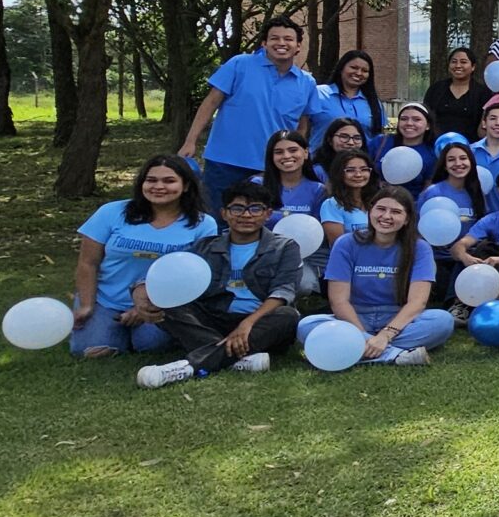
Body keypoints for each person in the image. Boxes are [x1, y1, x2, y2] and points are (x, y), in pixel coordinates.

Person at [134, 180, 304, 387]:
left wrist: (247, 324)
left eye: (255, 209)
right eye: (237, 208)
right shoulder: (206, 246)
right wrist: (140, 289)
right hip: (214, 316)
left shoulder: (284, 247)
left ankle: (186, 368)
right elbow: (173, 272)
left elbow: (283, 291)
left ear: (267, 214)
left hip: (259, 322)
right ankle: (236, 359)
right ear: (224, 213)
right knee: (167, 303)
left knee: (288, 315)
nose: (246, 215)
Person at [71, 155, 218, 357]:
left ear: (185, 186)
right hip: (107, 300)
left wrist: (148, 306)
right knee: (88, 350)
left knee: (150, 345)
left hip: (165, 304)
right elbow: (88, 263)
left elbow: (197, 277)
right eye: (151, 180)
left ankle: (137, 334)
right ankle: (110, 330)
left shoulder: (203, 224)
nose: (159, 187)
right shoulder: (111, 212)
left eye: (169, 181)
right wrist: (87, 305)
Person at [180, 17, 318, 202]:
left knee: (264, 215)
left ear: (298, 46)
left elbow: (302, 125)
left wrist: (295, 156)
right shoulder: (240, 64)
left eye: (288, 39)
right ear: (264, 43)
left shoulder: (307, 83)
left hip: (271, 166)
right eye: (274, 38)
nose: (281, 43)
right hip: (224, 162)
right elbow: (210, 102)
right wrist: (190, 141)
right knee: (218, 214)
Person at [317, 187, 453, 365]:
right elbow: (339, 301)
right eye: (381, 209)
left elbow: (417, 302)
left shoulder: (420, 248)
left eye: (396, 212)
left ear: (407, 219)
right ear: (370, 211)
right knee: (308, 325)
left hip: (399, 317)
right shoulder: (346, 243)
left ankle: (356, 350)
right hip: (356, 316)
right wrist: (362, 335)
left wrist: (386, 335)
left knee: (442, 321)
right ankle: (396, 356)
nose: (386, 216)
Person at [313, 150, 380, 294]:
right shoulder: (332, 205)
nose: (358, 174)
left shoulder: (380, 201)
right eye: (350, 170)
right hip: (349, 267)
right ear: (339, 173)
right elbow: (339, 245)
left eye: (364, 169)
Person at [313, 49, 387, 149]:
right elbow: (302, 127)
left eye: (365, 71)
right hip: (322, 157)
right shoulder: (318, 94)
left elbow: (379, 137)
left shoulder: (374, 103)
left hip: (360, 157)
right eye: (354, 68)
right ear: (341, 68)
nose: (359, 73)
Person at [371, 102, 438, 193]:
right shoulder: (381, 142)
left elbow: (428, 188)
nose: (409, 123)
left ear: (428, 125)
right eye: (404, 119)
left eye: (416, 119)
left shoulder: (433, 153)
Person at [424, 46, 488, 141]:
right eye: (454, 62)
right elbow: (426, 116)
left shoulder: (482, 93)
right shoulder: (436, 89)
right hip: (436, 143)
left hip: (470, 145)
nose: (458, 65)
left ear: (473, 67)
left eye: (463, 62)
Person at [260, 130, 325, 223]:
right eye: (279, 152)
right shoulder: (257, 184)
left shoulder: (318, 190)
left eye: (293, 150)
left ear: (306, 152)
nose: (286, 156)